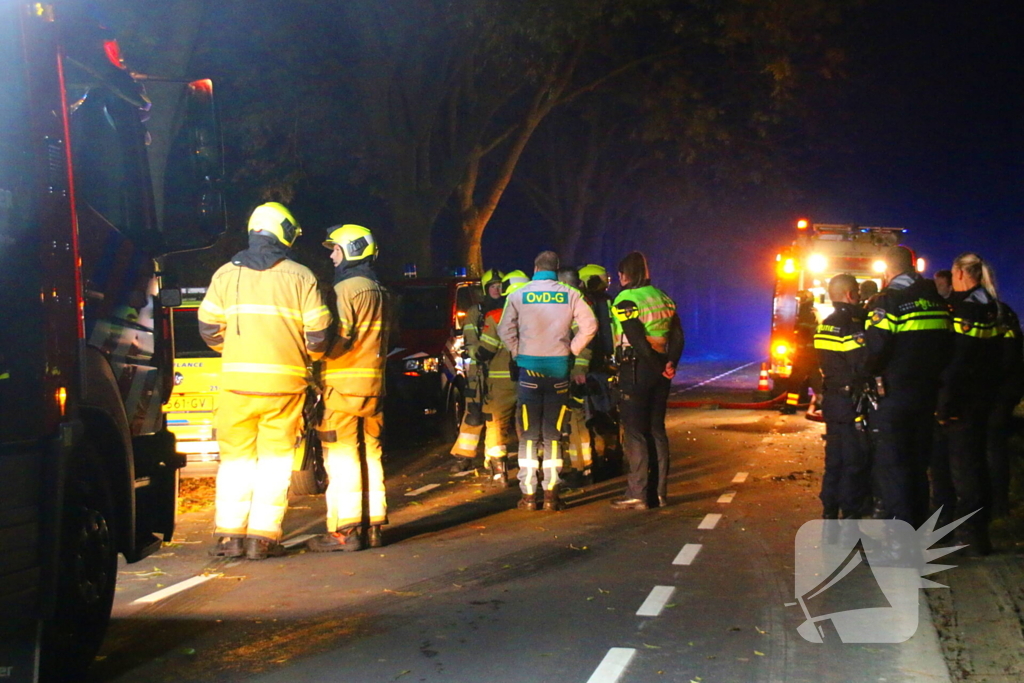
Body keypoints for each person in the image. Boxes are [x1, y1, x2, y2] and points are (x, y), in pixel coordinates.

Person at [199, 203, 332, 560]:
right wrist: (306, 359)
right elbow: (319, 334)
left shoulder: (224, 274)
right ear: (284, 232)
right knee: (275, 463)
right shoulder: (301, 276)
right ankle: (262, 538)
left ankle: (230, 536)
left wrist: (237, 351)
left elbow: (209, 328)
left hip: (237, 386)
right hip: (284, 388)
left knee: (236, 461)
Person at [308, 224, 391, 552]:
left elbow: (338, 339)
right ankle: (373, 526)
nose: (331, 256)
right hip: (374, 387)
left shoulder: (347, 289)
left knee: (341, 457)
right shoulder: (379, 289)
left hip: (342, 388)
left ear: (351, 251)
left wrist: (314, 353)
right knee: (371, 454)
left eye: (336, 250)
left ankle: (346, 530)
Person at [498, 251, 597, 511]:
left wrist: (518, 350)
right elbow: (590, 326)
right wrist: (571, 350)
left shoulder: (519, 294)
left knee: (529, 436)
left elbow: (504, 329)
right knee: (553, 435)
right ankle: (552, 495)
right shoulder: (571, 294)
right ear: (556, 269)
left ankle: (529, 496)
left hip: (529, 372)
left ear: (535, 267)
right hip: (558, 372)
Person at [864, 245, 951, 527]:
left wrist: (862, 375)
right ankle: (915, 532)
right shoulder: (937, 301)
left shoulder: (888, 302)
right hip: (927, 396)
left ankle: (898, 543)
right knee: (917, 468)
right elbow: (947, 348)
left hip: (895, 396)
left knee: (893, 467)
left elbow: (875, 351)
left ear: (888, 271)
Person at [934, 253, 1000, 554]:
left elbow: (958, 361)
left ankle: (969, 535)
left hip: (962, 401)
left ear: (960, 273)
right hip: (983, 396)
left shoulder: (966, 308)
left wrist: (945, 404)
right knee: (974, 464)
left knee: (963, 470)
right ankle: (972, 530)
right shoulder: (990, 305)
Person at [609, 252, 684, 510]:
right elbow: (677, 336)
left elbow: (637, 339)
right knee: (657, 430)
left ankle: (638, 493)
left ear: (624, 275)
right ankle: (660, 493)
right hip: (661, 369)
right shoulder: (663, 297)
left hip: (636, 368)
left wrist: (656, 366)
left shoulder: (625, 300)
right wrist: (669, 364)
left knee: (635, 432)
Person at [814, 274, 871, 520]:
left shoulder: (825, 323)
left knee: (833, 461)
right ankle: (849, 514)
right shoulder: (853, 324)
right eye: (857, 292)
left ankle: (828, 511)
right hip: (850, 403)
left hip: (832, 401)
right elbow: (861, 364)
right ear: (850, 294)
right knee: (853, 462)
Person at [466, 270, 525, 487]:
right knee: (528, 425)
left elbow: (485, 350)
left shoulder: (497, 316)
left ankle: (499, 472)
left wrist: (473, 353)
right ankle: (533, 471)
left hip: (500, 382)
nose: (497, 290)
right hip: (529, 378)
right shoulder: (536, 313)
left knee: (496, 425)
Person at [449, 269, 504, 473]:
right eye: (493, 286)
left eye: (500, 286)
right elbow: (470, 340)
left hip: (500, 371)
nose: (497, 289)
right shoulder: (476, 311)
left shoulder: (509, 308)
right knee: (473, 413)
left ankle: (494, 458)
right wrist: (478, 354)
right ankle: (464, 456)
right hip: (479, 371)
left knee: (496, 416)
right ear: (485, 289)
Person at [579, 264, 621, 478]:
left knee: (591, 417)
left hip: (590, 369)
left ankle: (596, 462)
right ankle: (611, 458)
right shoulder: (606, 302)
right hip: (604, 367)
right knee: (608, 415)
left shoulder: (585, 304)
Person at [557, 267, 594, 485]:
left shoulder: (573, 305)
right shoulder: (577, 302)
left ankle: (582, 469)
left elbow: (586, 340)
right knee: (573, 420)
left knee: (574, 420)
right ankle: (581, 467)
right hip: (568, 370)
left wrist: (578, 370)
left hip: (570, 373)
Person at [988, 300, 1024, 518]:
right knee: (994, 445)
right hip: (1006, 388)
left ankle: (998, 504)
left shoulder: (991, 312)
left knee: (992, 445)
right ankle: (998, 502)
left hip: (999, 390)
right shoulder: (1005, 312)